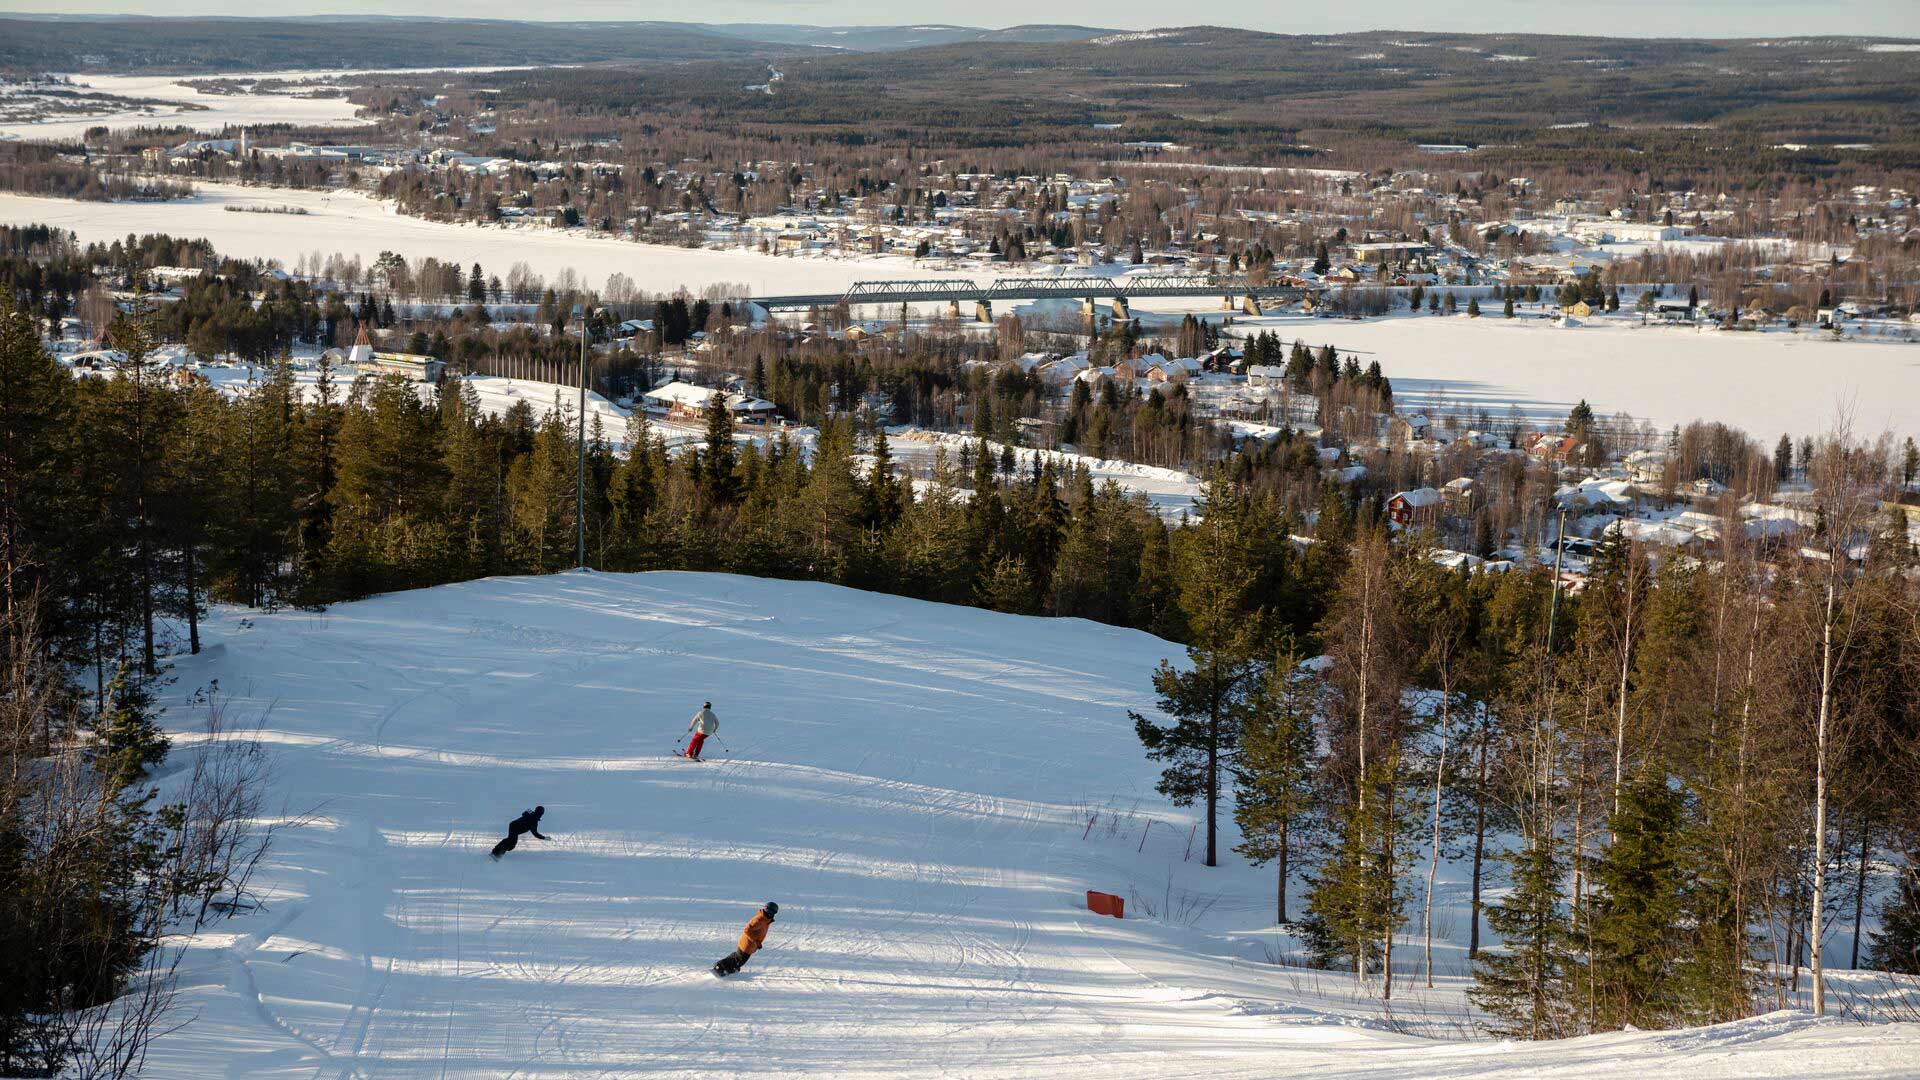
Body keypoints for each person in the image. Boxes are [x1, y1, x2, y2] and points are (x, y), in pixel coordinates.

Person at [713, 902, 777, 977]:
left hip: (749, 944)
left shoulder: (765, 919)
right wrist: (756, 941)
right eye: (768, 911)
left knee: (737, 956)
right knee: (739, 960)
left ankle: (726, 967)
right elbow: (747, 930)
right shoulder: (760, 920)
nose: (770, 913)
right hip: (747, 945)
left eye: (772, 912)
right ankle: (720, 968)